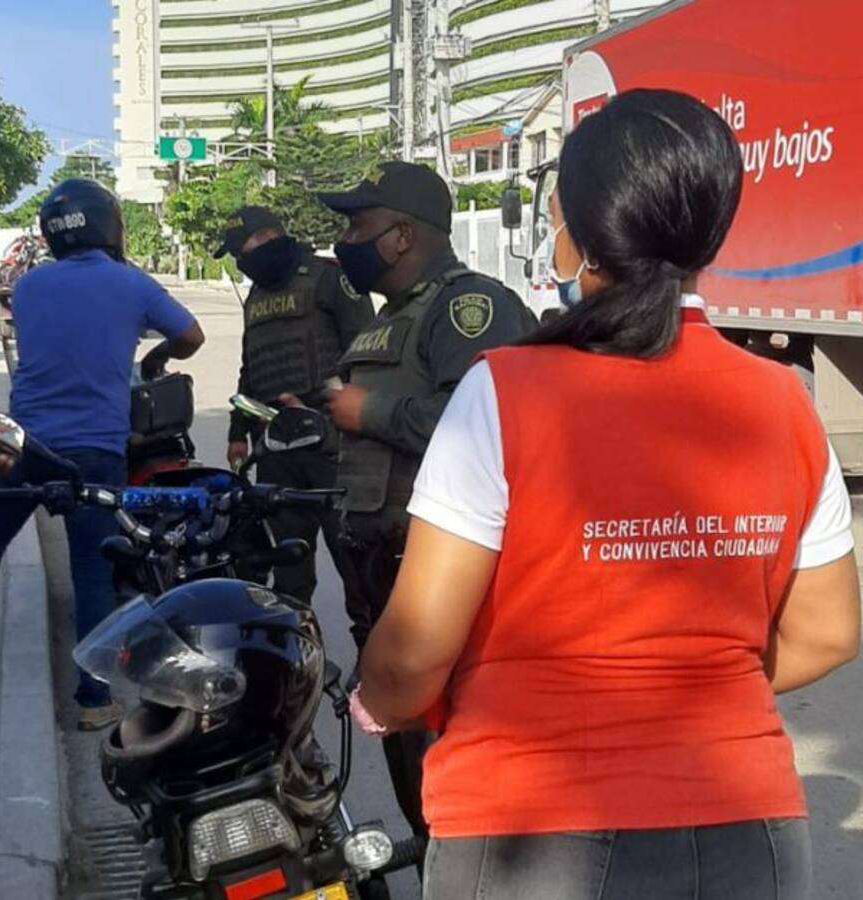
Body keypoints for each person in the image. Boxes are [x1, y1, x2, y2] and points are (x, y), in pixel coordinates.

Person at [353, 90, 860, 899]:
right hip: (748, 832)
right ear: (711, 231)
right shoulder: (782, 403)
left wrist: (376, 703)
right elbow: (829, 632)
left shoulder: (505, 392)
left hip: (528, 829)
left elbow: (413, 652)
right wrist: (686, 677)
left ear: (573, 234)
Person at [315, 161, 537, 840]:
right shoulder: (397, 318)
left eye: (359, 225)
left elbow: (488, 420)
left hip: (437, 583)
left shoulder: (471, 308)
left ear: (402, 236)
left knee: (454, 766)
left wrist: (367, 410)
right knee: (412, 762)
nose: (347, 240)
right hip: (381, 576)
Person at [0, 179, 205, 731]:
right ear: (108, 224)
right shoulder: (131, 284)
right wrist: (155, 358)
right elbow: (191, 336)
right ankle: (92, 699)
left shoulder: (30, 286)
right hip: (95, 448)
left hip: (25, 440)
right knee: (91, 569)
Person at [214, 205, 373, 607]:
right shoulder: (256, 295)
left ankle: (370, 661)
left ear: (268, 238)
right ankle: (296, 657)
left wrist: (328, 403)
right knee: (287, 573)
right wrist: (238, 433)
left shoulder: (329, 278)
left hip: (332, 444)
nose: (241, 261)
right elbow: (251, 368)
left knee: (355, 564)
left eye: (242, 249)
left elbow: (367, 354)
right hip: (276, 450)